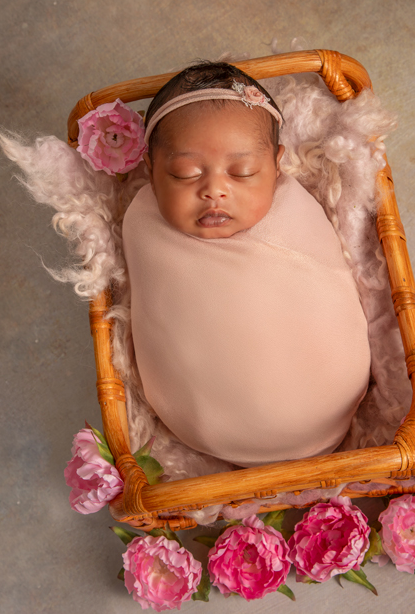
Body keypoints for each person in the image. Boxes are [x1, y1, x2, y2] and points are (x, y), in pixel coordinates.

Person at [122, 63, 371, 467]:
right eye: (185, 174)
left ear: (276, 165)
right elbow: (159, 314)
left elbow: (328, 290)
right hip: (208, 426)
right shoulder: (144, 223)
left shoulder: (293, 206)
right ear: (150, 170)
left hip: (328, 402)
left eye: (243, 172)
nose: (215, 190)